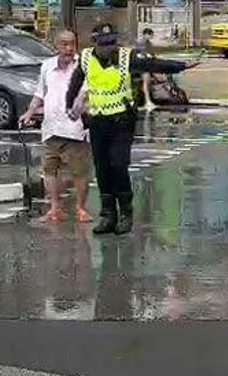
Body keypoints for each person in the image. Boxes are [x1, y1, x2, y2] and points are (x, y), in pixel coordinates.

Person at [65, 31, 200, 235]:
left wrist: (181, 66)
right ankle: (108, 215)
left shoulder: (126, 57)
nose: (110, 49)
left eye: (112, 44)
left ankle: (126, 214)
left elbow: (152, 64)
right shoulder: (86, 59)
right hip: (98, 121)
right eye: (105, 45)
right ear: (96, 45)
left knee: (118, 165)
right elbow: (75, 83)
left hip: (122, 121)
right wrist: (69, 105)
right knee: (102, 170)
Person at [18, 30, 92, 223]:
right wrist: (29, 112)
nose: (69, 48)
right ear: (56, 46)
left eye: (72, 44)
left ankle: (81, 208)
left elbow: (90, 92)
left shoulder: (84, 66)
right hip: (51, 127)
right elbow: (40, 93)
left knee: (79, 171)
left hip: (75, 128)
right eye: (64, 44)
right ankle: (54, 208)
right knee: (50, 170)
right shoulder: (47, 66)